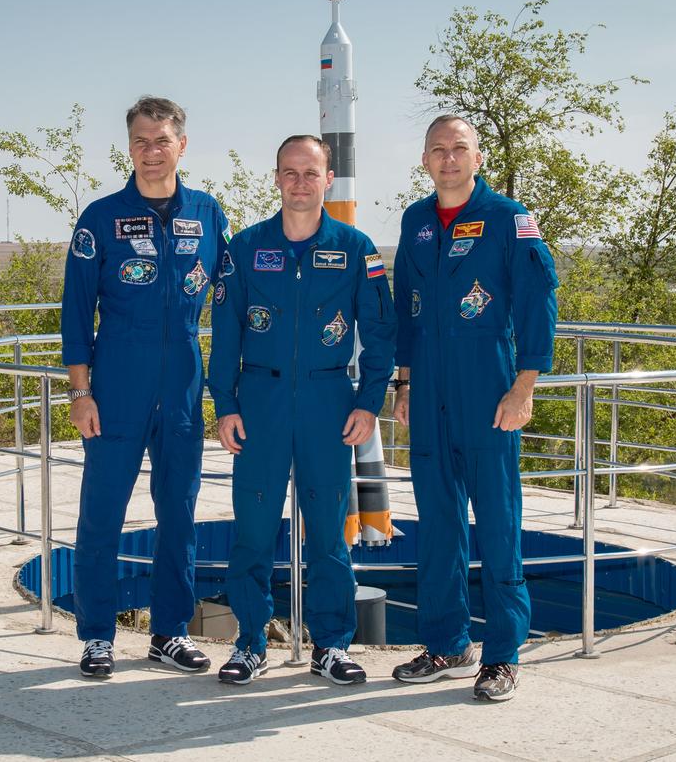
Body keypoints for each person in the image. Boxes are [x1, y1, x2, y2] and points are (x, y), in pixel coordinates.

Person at [208, 135, 395, 686]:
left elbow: (379, 337)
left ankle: (331, 645)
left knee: (329, 535)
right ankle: (249, 642)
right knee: (253, 531)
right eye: (289, 173)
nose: (299, 182)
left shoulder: (356, 248)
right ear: (275, 179)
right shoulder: (243, 248)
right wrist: (226, 405)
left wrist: (369, 403)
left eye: (310, 173)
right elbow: (225, 335)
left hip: (328, 404)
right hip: (260, 405)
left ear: (327, 179)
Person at [389, 115, 558, 702]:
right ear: (425, 159)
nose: (448, 159)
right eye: (437, 150)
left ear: (477, 158)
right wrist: (404, 383)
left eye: (459, 149)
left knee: (498, 523)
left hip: (489, 389)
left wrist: (525, 387)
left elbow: (538, 305)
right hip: (428, 390)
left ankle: (504, 655)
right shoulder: (414, 222)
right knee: (437, 524)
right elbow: (405, 313)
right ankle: (446, 643)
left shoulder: (511, 220)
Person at [61, 96, 230, 679]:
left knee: (179, 512)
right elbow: (76, 311)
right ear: (128, 147)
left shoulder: (208, 214)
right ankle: (97, 636)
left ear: (182, 145)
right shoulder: (101, 217)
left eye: (162, 141)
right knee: (102, 513)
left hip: (183, 374)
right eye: (141, 141)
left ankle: (170, 632)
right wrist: (81, 393)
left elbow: (233, 301)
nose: (151, 152)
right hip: (117, 378)